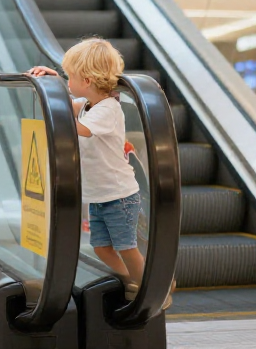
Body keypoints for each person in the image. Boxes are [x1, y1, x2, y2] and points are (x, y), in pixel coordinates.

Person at [29, 38, 171, 308]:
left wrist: (59, 99)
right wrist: (53, 82)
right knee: (102, 249)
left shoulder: (108, 109)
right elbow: (67, 104)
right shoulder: (87, 103)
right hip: (100, 196)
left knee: (126, 247)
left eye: (70, 76)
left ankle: (153, 290)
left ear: (87, 80)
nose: (67, 81)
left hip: (119, 196)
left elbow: (78, 128)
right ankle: (137, 279)